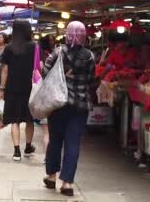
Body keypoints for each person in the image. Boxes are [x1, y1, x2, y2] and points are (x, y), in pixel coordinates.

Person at [42, 21, 95, 197]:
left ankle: (51, 176)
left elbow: (45, 73)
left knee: (55, 141)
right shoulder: (89, 56)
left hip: (58, 104)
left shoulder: (57, 52)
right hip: (79, 106)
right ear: (83, 35)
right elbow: (90, 80)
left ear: (67, 34)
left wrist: (63, 77)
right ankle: (67, 183)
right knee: (73, 143)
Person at [0, 20, 37, 161]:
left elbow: (5, 70)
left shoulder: (9, 48)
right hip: (30, 88)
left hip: (12, 88)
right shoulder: (34, 47)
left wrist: (1, 88)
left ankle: (16, 152)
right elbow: (39, 67)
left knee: (15, 120)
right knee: (29, 119)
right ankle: (28, 146)